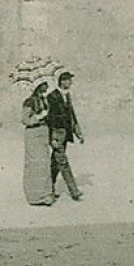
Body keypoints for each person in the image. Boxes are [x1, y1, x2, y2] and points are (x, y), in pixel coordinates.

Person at [46, 70, 84, 201]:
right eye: (69, 80)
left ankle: (47, 188)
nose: (71, 82)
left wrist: (78, 133)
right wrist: (52, 138)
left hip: (65, 134)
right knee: (63, 163)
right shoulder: (52, 96)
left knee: (55, 164)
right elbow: (49, 118)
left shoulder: (67, 96)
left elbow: (71, 116)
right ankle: (74, 191)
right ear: (62, 81)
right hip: (57, 134)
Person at [21, 78, 54, 204]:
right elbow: (25, 120)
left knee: (44, 164)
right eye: (44, 84)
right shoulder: (29, 102)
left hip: (43, 133)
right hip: (33, 134)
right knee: (34, 164)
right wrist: (40, 116)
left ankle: (46, 194)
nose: (46, 86)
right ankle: (34, 196)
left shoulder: (45, 100)